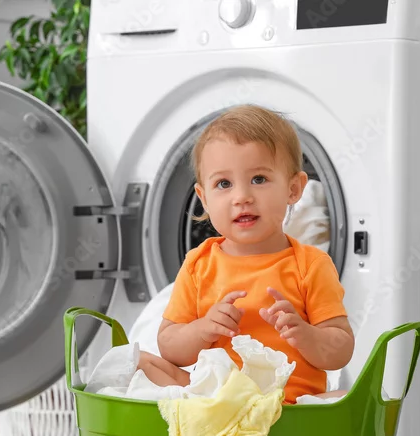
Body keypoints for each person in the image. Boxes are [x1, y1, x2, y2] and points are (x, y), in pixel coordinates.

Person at [137, 104, 355, 404]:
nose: (242, 197)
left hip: (288, 404)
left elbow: (341, 349)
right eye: (224, 184)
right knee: (137, 363)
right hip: (216, 399)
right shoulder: (199, 264)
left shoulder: (311, 265)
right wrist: (203, 329)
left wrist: (306, 335)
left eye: (259, 179)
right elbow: (169, 347)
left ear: (293, 189)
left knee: (352, 398)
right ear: (204, 198)